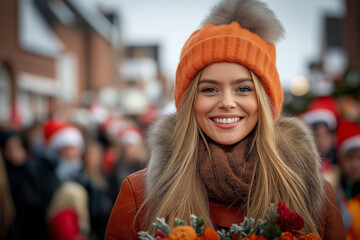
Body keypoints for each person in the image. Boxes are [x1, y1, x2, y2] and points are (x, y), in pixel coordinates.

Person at [105, 0, 346, 239]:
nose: (227, 102)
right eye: (209, 89)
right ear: (189, 102)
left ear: (265, 101)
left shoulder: (311, 192)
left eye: (243, 89)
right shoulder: (139, 194)